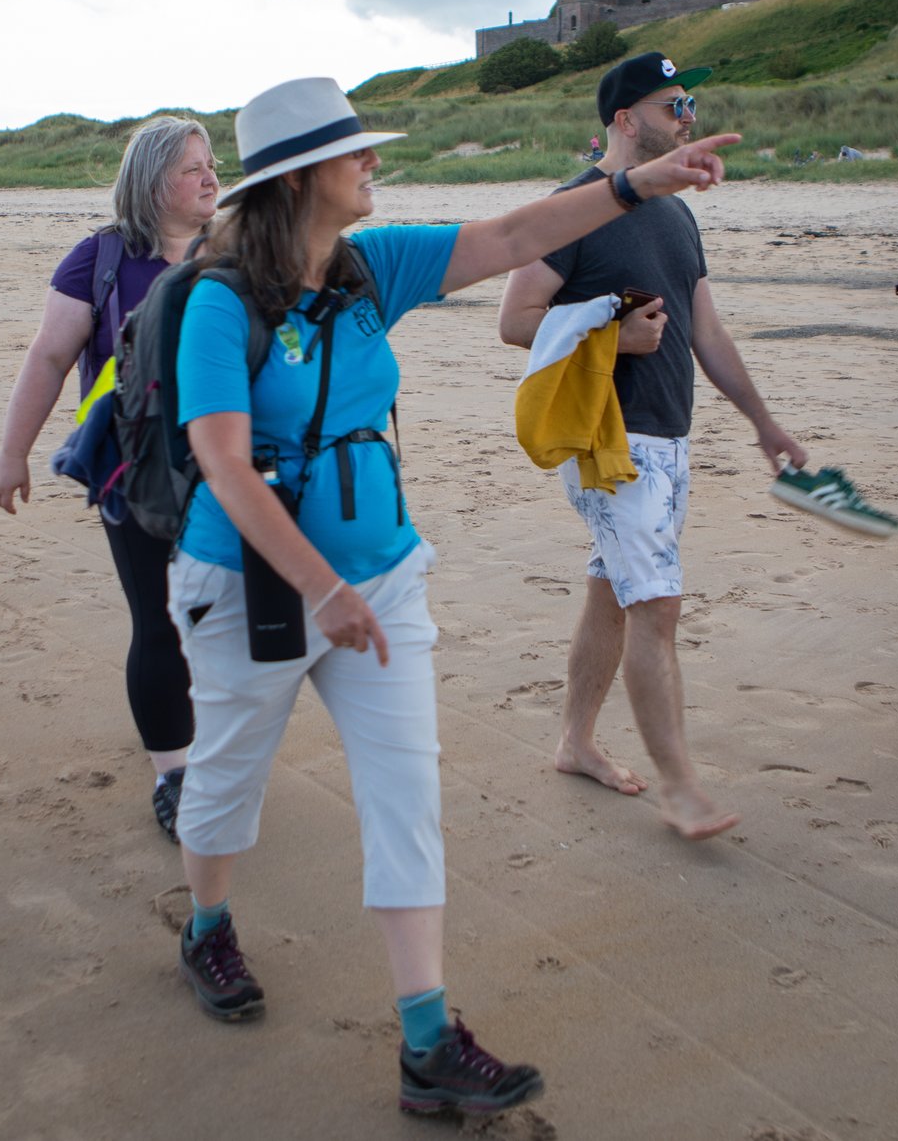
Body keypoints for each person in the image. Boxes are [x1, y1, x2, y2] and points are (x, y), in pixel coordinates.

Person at [166, 76, 737, 1116]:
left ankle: (427, 1039)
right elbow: (223, 462)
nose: (372, 164)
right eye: (356, 154)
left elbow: (514, 229)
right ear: (299, 180)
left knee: (405, 794)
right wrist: (319, 587)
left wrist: (632, 182)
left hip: (382, 575)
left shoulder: (371, 266)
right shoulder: (217, 301)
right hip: (249, 584)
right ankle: (206, 926)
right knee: (224, 782)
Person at [499, 52, 867, 840]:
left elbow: (707, 330)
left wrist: (764, 422)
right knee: (656, 606)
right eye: (675, 104)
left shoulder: (675, 212)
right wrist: (608, 328)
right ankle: (681, 786)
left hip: (667, 438)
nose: (689, 116)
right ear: (627, 119)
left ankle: (575, 741)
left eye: (691, 102)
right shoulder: (570, 208)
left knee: (614, 590)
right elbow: (516, 318)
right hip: (609, 442)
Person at [0, 116, 220, 838]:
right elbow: (51, 358)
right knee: (159, 620)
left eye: (214, 164)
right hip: (135, 470)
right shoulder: (100, 259)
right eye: (194, 168)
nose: (213, 177)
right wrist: (12, 452)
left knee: (216, 620)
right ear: (152, 183)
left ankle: (203, 733)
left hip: (226, 469)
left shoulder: (234, 252)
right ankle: (174, 772)